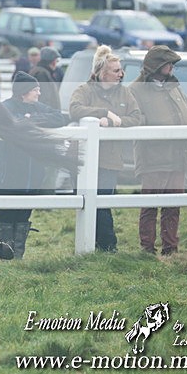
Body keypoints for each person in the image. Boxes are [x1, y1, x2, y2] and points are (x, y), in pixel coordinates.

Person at [69, 45, 142, 252]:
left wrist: (113, 123)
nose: (121, 74)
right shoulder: (83, 91)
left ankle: (107, 246)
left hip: (110, 160)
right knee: (86, 204)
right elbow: (75, 110)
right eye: (116, 70)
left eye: (120, 70)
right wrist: (103, 113)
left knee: (102, 202)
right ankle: (95, 246)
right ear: (102, 73)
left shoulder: (125, 94)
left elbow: (136, 117)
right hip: (83, 161)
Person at [0, 72, 69, 258]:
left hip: (31, 175)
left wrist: (32, 120)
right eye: (35, 90)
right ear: (24, 91)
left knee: (24, 216)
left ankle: (18, 256)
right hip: (7, 175)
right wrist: (25, 120)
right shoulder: (5, 107)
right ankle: (5, 255)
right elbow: (7, 123)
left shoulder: (37, 108)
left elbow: (59, 118)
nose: (39, 93)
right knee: (6, 216)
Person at [129, 46, 187, 255]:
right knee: (150, 205)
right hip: (153, 158)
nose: (171, 67)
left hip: (178, 156)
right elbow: (134, 120)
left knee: (173, 205)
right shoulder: (135, 90)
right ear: (156, 66)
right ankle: (147, 249)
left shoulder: (174, 87)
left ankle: (170, 249)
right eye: (168, 63)